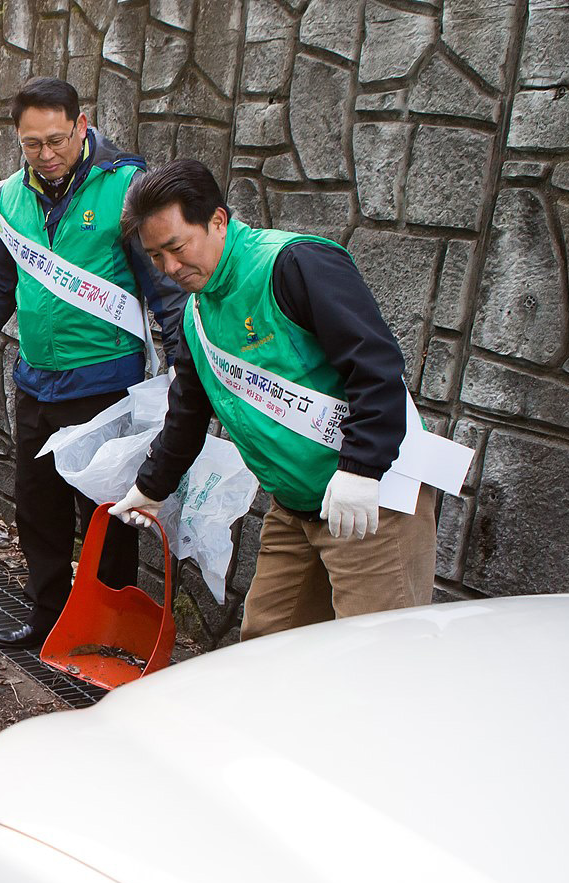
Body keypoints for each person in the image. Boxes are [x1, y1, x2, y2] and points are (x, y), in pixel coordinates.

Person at [110, 159, 437, 637]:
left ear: (217, 221)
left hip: (372, 500)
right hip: (295, 505)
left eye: (177, 248)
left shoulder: (296, 264)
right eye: (155, 256)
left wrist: (362, 469)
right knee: (264, 646)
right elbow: (188, 413)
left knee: (376, 655)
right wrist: (150, 488)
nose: (170, 269)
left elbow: (375, 366)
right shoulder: (196, 314)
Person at [0, 77, 186, 651]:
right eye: (32, 144)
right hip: (36, 382)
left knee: (106, 517)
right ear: (18, 139)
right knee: (38, 508)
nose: (46, 154)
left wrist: (184, 365)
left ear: (81, 125)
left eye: (56, 140)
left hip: (104, 382)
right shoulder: (10, 198)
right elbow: (0, 286)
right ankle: (47, 616)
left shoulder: (126, 187)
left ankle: (105, 627)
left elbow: (165, 288)